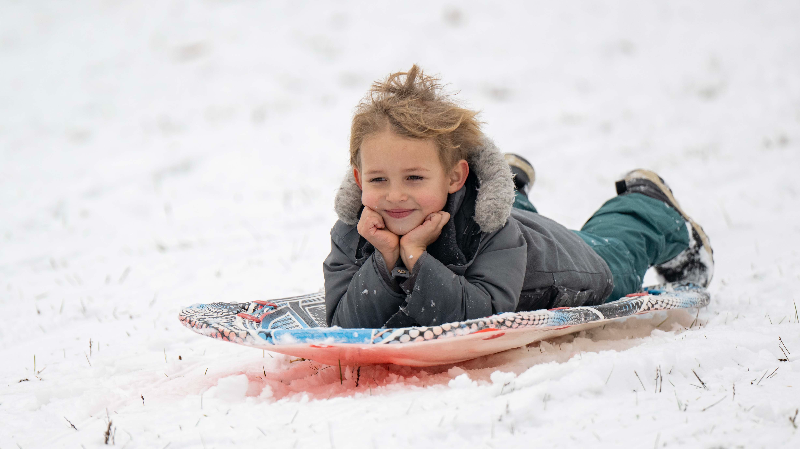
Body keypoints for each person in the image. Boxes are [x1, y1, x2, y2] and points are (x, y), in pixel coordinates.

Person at [323, 65, 713, 329]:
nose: (394, 196)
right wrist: (385, 257)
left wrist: (414, 258)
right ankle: (514, 187)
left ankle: (647, 205)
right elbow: (343, 324)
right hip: (509, 237)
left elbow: (482, 317)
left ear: (456, 176)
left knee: (617, 251)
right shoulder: (354, 230)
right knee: (504, 213)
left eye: (413, 177)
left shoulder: (489, 228)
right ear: (359, 179)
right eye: (378, 179)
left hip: (568, 262)